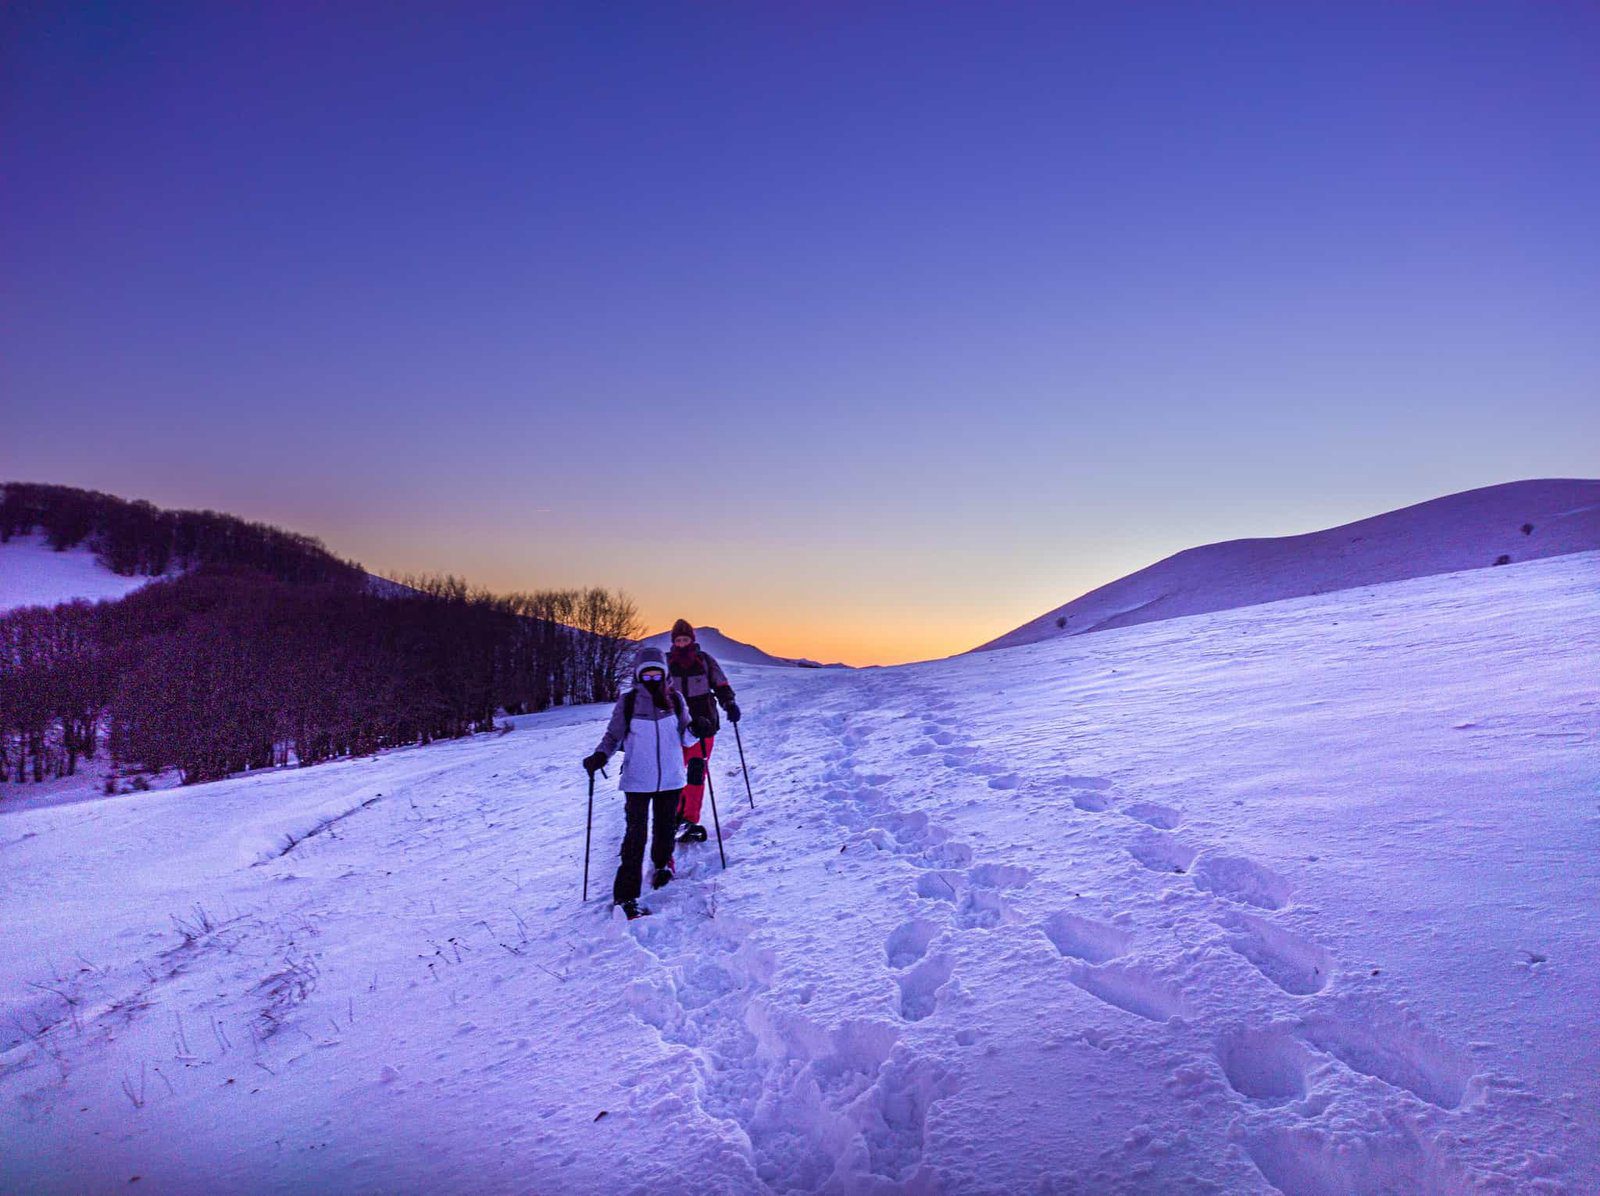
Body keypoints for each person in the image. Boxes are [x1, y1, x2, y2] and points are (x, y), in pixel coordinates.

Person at [583, 646, 712, 919]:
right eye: (647, 675)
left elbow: (686, 739)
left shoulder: (676, 700)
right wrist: (599, 757)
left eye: (657, 675)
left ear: (664, 675)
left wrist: (696, 728)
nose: (652, 680)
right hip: (637, 781)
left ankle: (662, 865)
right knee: (635, 836)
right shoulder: (628, 702)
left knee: (665, 829)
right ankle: (626, 896)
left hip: (672, 779)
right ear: (639, 676)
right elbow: (613, 737)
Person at [665, 619, 740, 843]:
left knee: (697, 771)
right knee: (675, 773)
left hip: (705, 725)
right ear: (673, 642)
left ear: (692, 640)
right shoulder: (666, 663)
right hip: (675, 727)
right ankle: (675, 816)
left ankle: (690, 818)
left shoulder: (705, 661)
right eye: (678, 640)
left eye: (685, 639)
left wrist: (729, 704)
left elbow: (721, 685)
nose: (681, 644)